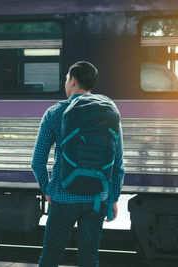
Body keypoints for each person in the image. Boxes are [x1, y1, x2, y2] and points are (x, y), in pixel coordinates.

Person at [31, 61, 125, 267]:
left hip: (62, 196)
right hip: (96, 199)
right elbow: (118, 164)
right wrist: (113, 198)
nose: (66, 82)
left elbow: (37, 162)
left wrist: (47, 189)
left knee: (50, 257)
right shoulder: (109, 113)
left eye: (66, 78)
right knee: (89, 258)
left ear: (73, 81)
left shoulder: (55, 113)